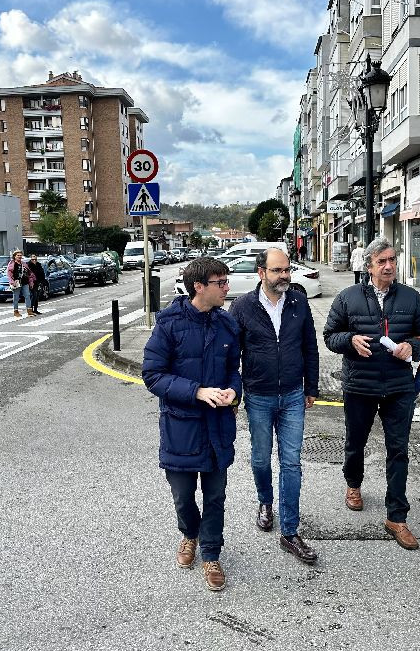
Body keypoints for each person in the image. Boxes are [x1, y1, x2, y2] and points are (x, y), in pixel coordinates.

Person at [323, 236, 420, 550]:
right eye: (381, 261)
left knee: (398, 450)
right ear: (368, 266)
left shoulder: (412, 298)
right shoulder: (347, 297)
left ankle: (397, 516)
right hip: (361, 385)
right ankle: (353, 483)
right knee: (355, 442)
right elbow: (330, 336)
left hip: (399, 386)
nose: (388, 266)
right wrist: (350, 340)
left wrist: (413, 346)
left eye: (392, 260)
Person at [142, 257, 242, 592]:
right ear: (199, 286)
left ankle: (211, 553)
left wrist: (234, 392)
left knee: (215, 496)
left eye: (226, 281)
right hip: (181, 429)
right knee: (183, 496)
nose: (226, 288)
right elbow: (153, 375)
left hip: (217, 427)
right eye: (220, 283)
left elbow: (233, 371)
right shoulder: (169, 324)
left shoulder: (227, 324)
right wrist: (197, 391)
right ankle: (189, 534)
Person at [229, 249, 320, 565]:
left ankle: (290, 532)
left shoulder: (298, 302)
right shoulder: (242, 307)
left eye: (287, 270)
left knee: (291, 462)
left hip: (293, 394)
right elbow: (231, 356)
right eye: (278, 270)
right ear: (261, 273)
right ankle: (265, 501)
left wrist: (312, 387)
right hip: (258, 395)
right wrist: (235, 394)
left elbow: (310, 346)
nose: (284, 276)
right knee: (260, 457)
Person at [7, 250, 37, 318]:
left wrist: (31, 282)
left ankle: (29, 311)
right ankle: (16, 311)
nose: (19, 256)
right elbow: (9, 274)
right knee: (16, 297)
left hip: (25, 282)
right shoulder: (12, 264)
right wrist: (12, 282)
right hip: (16, 283)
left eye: (20, 255)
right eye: (18, 255)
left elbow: (29, 273)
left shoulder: (23, 263)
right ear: (15, 256)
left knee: (27, 295)